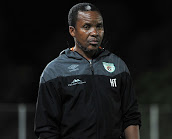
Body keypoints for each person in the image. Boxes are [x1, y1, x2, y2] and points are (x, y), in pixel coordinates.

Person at [34, 3, 141, 139]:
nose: (95, 33)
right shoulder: (54, 72)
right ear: (72, 31)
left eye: (99, 26)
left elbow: (131, 117)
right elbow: (46, 128)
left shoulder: (118, 66)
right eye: (86, 27)